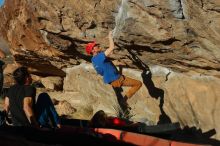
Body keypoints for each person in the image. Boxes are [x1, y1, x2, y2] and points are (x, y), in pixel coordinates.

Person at [85, 31, 142, 111]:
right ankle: (124, 100)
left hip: (111, 80)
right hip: (117, 79)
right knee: (138, 84)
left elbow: (101, 71)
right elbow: (111, 48)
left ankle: (123, 105)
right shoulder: (100, 57)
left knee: (120, 93)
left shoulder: (93, 60)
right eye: (95, 46)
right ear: (93, 50)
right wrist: (110, 37)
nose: (97, 46)